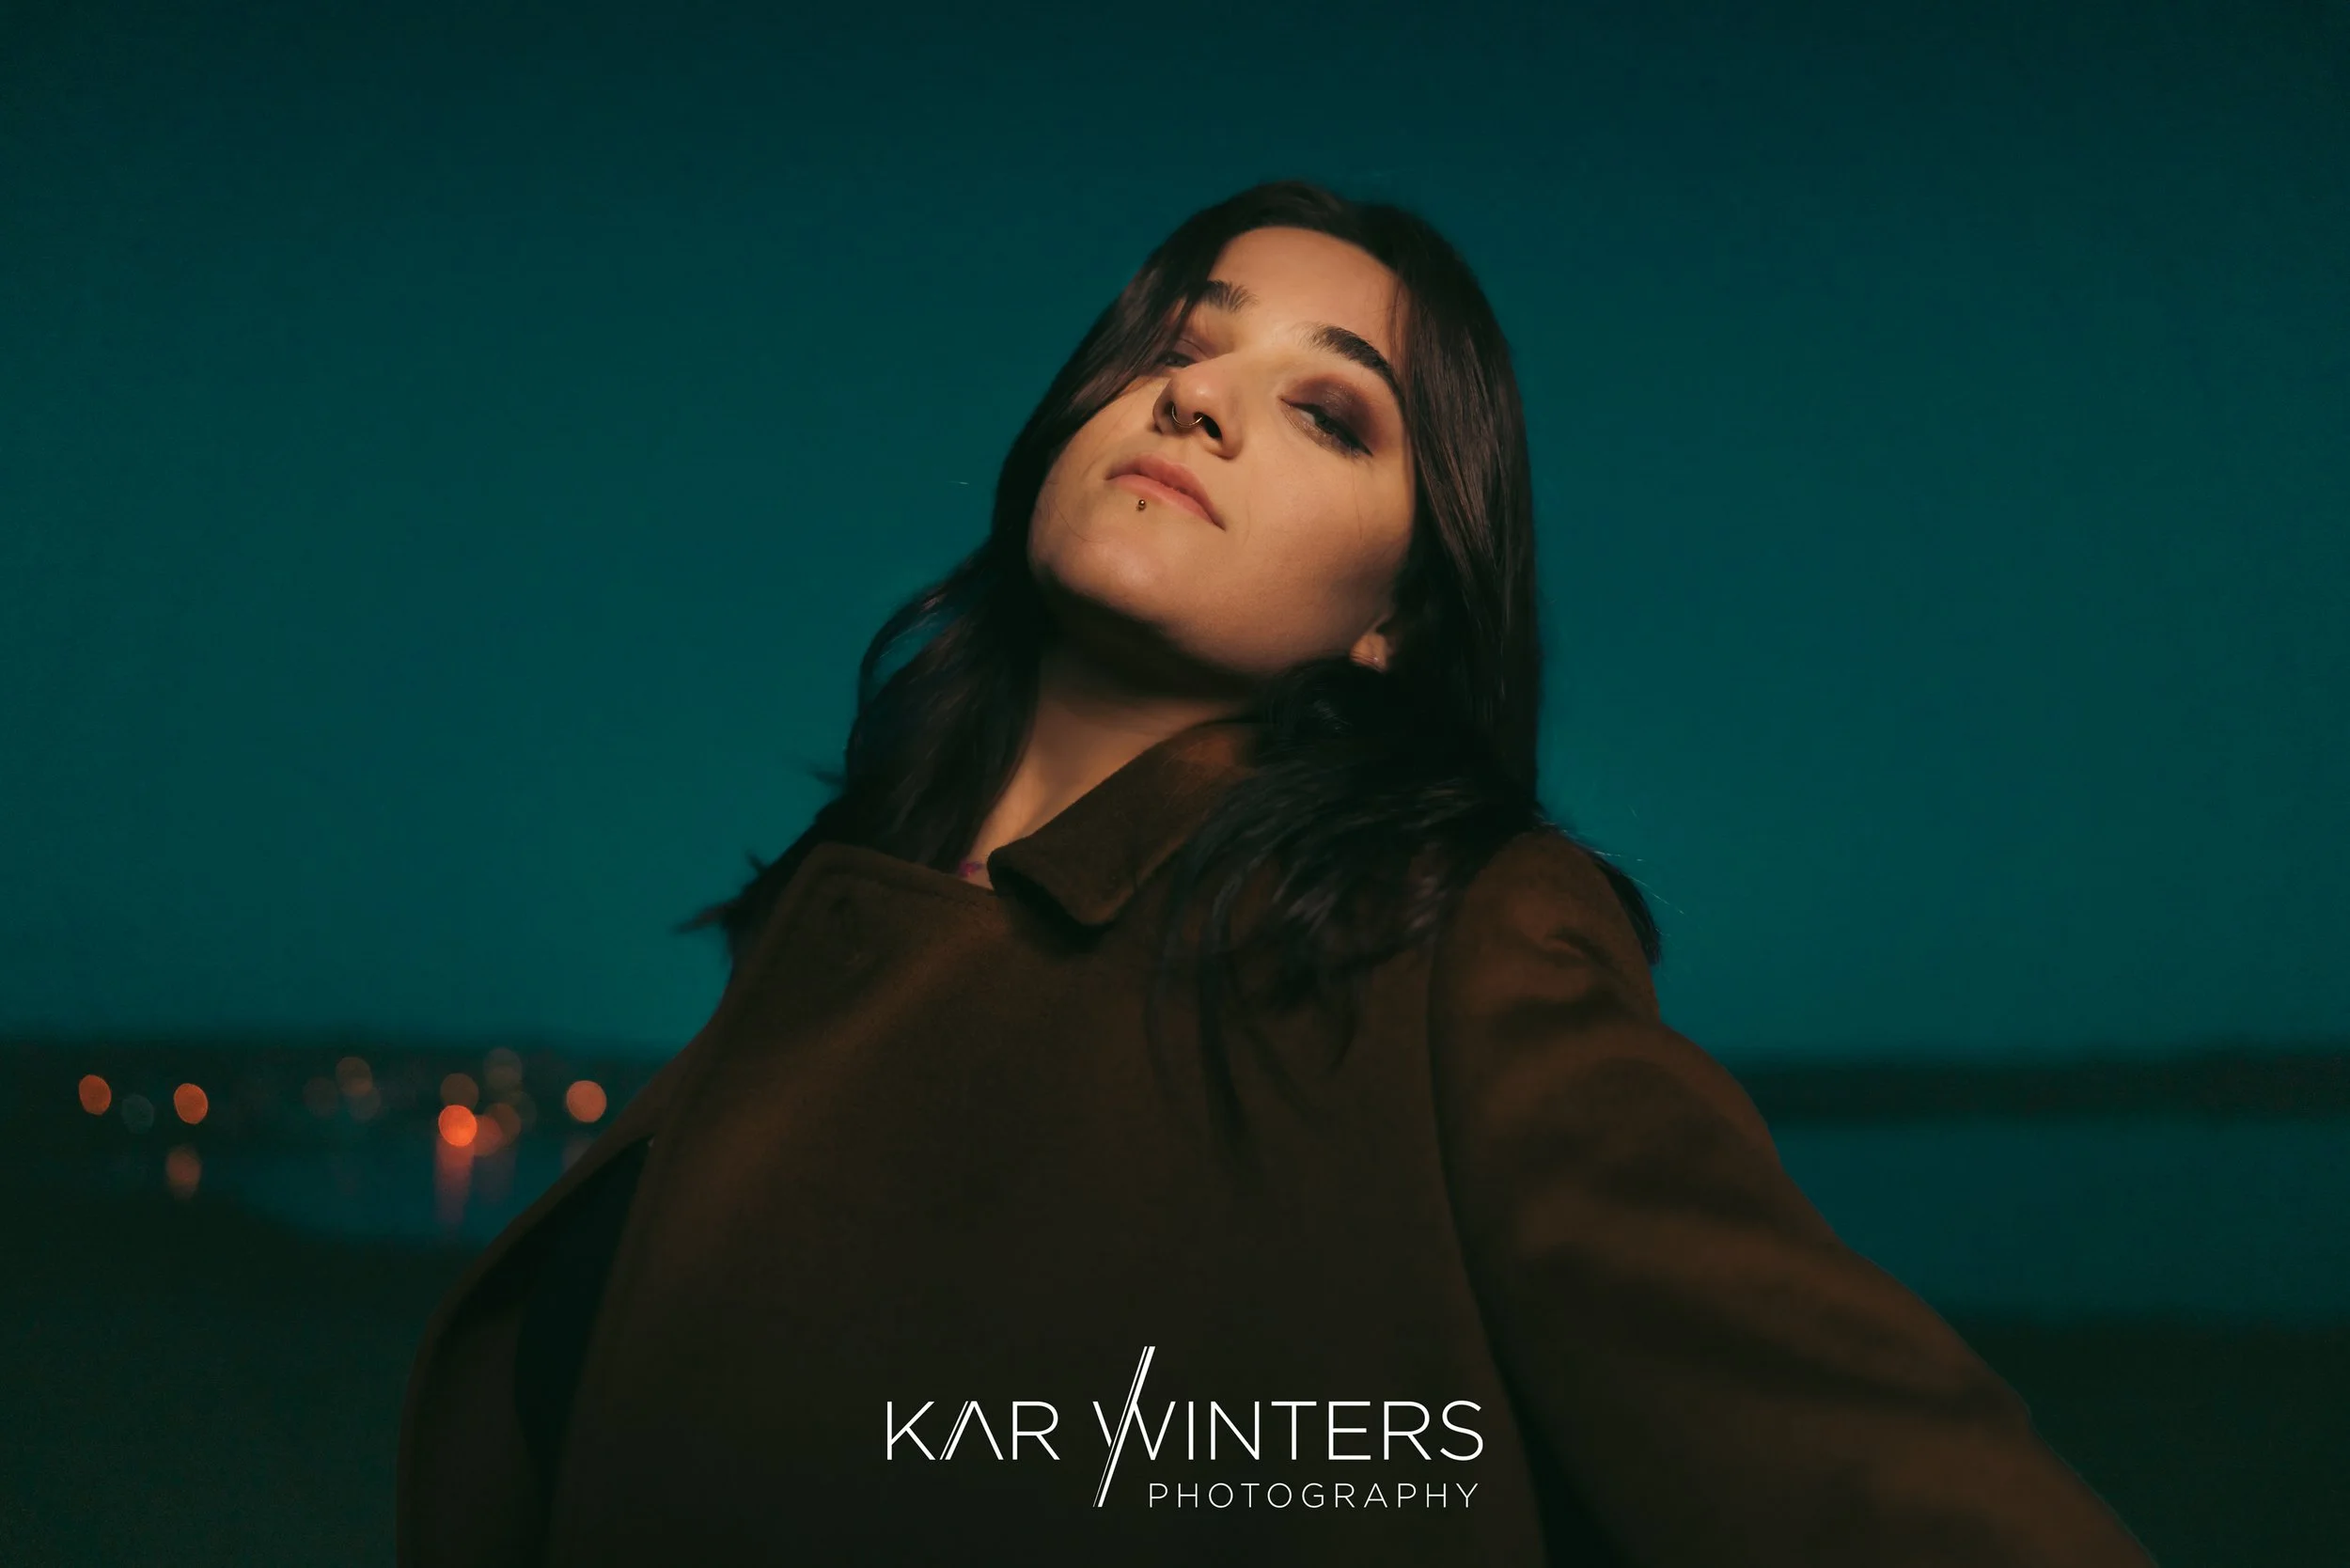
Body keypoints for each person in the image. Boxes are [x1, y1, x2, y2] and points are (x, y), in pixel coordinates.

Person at [397, 179, 2158, 1566]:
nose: (1196, 398)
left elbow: (1851, 1465)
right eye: (1177, 342)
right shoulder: (835, 928)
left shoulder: (1449, 933)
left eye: (1329, 412)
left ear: (1401, 616)